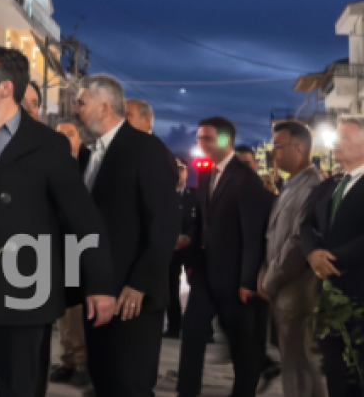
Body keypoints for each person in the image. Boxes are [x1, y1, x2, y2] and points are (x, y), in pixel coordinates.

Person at [0, 47, 116, 397]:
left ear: (6, 88)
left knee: (20, 386)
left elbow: (84, 219)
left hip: (26, 289)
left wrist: (100, 284)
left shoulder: (49, 145)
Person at [73, 80, 178, 397]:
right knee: (104, 382)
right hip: (98, 294)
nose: (74, 111)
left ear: (103, 107)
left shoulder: (146, 149)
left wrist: (141, 282)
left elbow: (164, 223)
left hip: (133, 297)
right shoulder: (88, 153)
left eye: (80, 103)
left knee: (129, 385)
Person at [177, 116, 273, 397]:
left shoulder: (246, 180)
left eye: (206, 139)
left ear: (225, 140)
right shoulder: (205, 173)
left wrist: (248, 281)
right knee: (192, 334)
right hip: (205, 273)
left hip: (235, 279)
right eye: (199, 139)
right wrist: (190, 246)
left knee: (243, 345)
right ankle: (186, 391)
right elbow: (203, 221)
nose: (200, 144)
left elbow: (253, 234)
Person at [258, 120, 326, 397]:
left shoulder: (312, 186)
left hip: (298, 293)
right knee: (296, 366)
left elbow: (298, 242)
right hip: (284, 292)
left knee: (300, 367)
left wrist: (269, 280)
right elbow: (273, 236)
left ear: (298, 148)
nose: (272, 152)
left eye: (277, 146)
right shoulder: (289, 184)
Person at [302, 118, 364, 397]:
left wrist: (331, 259)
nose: (336, 144)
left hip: (359, 292)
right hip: (328, 298)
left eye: (346, 139)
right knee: (334, 366)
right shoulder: (330, 185)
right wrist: (312, 252)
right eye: (337, 138)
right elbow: (306, 224)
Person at [46, 119, 90, 389]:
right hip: (56, 246)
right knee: (62, 309)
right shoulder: (51, 164)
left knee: (76, 307)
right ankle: (67, 360)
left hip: (79, 246)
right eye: (60, 134)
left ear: (79, 138)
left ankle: (82, 364)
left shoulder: (88, 164)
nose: (64, 139)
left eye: (70, 134)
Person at [166, 155, 198, 338]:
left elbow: (200, 221)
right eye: (175, 168)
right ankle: (173, 326)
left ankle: (199, 328)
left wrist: (188, 237)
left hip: (190, 250)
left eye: (181, 168)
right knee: (170, 288)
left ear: (186, 171)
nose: (178, 172)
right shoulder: (163, 196)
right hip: (171, 249)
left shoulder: (194, 196)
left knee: (197, 289)